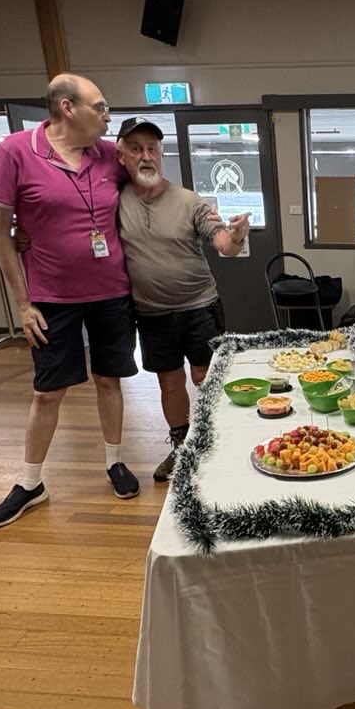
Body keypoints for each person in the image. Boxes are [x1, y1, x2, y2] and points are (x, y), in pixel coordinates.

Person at [0, 75, 140, 528]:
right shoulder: (16, 151)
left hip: (111, 291)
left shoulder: (108, 154)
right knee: (47, 391)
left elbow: (149, 184)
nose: (107, 116)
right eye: (100, 107)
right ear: (68, 108)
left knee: (109, 380)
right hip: (50, 297)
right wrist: (23, 302)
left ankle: (114, 461)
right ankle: (30, 483)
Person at [114, 119, 251, 481]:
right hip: (152, 313)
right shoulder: (114, 201)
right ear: (121, 155)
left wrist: (237, 236)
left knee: (206, 376)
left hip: (200, 307)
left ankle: (217, 443)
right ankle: (181, 448)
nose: (146, 156)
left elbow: (224, 246)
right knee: (169, 382)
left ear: (161, 154)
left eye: (152, 149)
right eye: (136, 149)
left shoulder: (189, 200)